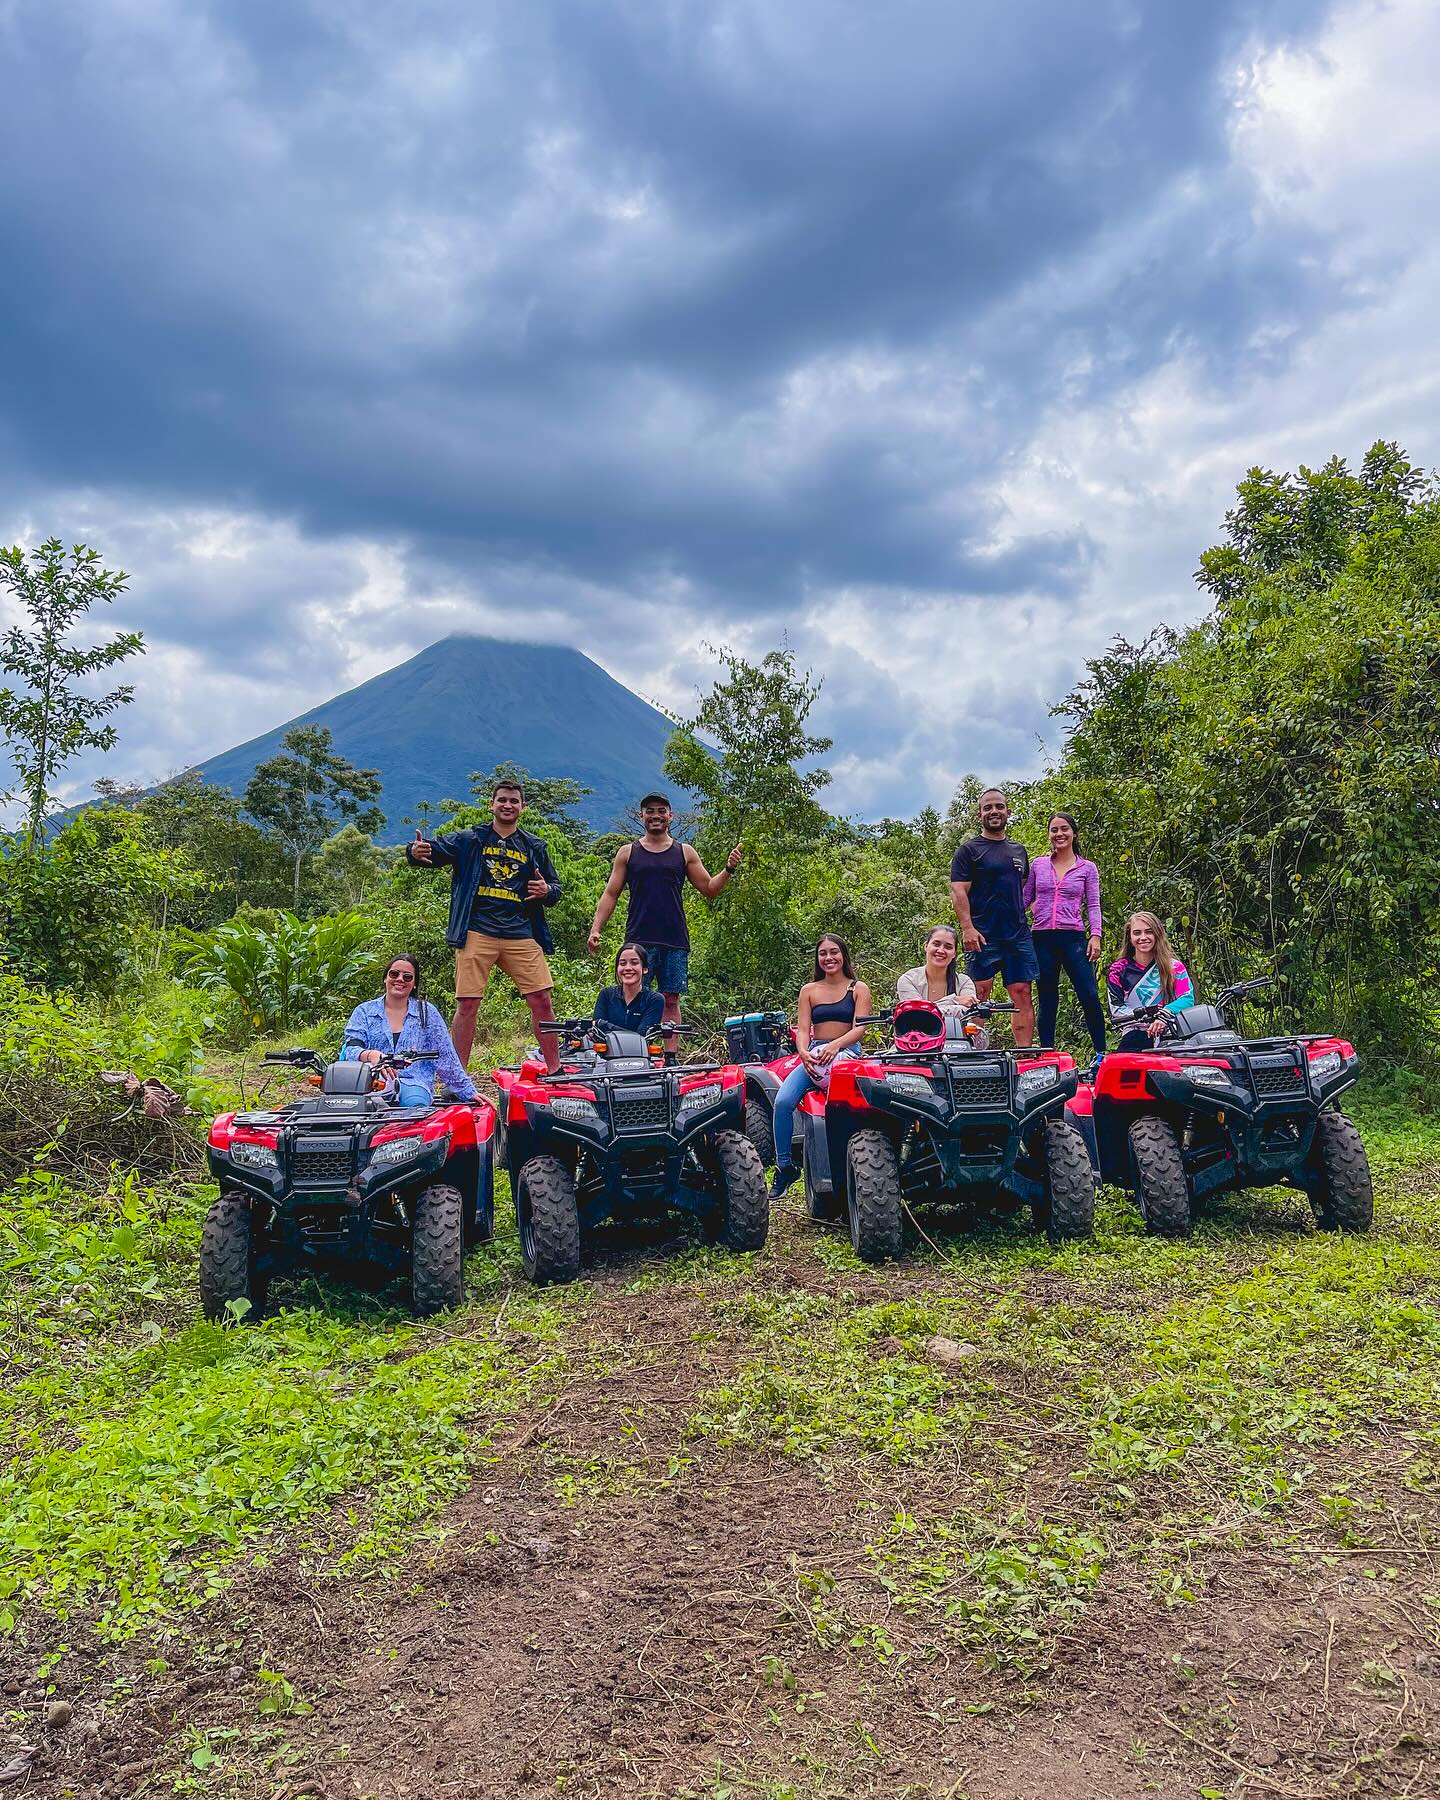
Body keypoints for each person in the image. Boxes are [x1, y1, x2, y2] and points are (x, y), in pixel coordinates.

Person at [407, 777, 563, 1074]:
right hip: (477, 931)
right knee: (468, 1004)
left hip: (520, 932)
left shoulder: (534, 846)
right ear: (492, 804)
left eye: (514, 800)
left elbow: (554, 887)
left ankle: (555, 1070)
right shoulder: (471, 839)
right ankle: (458, 1078)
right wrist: (414, 852)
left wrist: (548, 892)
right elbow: (432, 851)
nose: (508, 805)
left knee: (542, 999)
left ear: (523, 807)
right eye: (502, 799)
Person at [587, 793, 742, 1042]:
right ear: (642, 816)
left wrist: (729, 869)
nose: (655, 815)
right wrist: (596, 929)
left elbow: (710, 889)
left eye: (661, 810)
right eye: (650, 811)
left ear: (671, 815)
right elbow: (611, 893)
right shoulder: (628, 853)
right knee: (635, 996)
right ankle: (636, 1051)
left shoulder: (684, 852)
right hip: (639, 940)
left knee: (671, 999)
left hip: (674, 939)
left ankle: (670, 1058)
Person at [769, 934, 872, 1198]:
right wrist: (803, 1053)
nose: (829, 958)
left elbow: (860, 1029)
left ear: (844, 955)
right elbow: (804, 1029)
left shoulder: (858, 988)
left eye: (834, 952)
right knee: (782, 1102)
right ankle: (784, 1167)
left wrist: (835, 1046)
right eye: (823, 953)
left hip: (847, 1054)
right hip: (814, 1055)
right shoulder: (809, 990)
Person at [950, 787, 1037, 1045]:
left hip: (1017, 935)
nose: (994, 811)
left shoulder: (1018, 850)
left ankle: (1024, 1054)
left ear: (1008, 812)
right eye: (988, 808)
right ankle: (972, 1054)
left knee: (1021, 993)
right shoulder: (968, 851)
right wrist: (967, 928)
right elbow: (958, 891)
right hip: (982, 935)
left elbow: (1020, 887)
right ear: (979, 815)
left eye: (999, 806)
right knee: (979, 994)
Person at [339, 953, 478, 1106]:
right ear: (385, 978)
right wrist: (371, 1055)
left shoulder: (427, 1013)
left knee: (416, 1110)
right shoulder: (363, 1012)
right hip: (371, 1083)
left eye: (407, 977)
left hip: (414, 1083)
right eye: (394, 974)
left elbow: (446, 1058)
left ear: (415, 984)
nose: (399, 979)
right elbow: (351, 1050)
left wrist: (469, 1092)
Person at [1025, 811, 1107, 1056]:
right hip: (1042, 938)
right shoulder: (1039, 864)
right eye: (1054, 830)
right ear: (1049, 835)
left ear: (1073, 833)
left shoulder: (1087, 868)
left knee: (1089, 994)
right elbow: (1025, 897)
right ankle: (1048, 1055)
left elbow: (1093, 904)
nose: (1059, 834)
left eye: (1064, 829)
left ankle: (1101, 1054)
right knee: (1047, 999)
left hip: (1073, 938)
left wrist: (1096, 935)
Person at [1107, 911, 1195, 1051]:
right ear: (1130, 937)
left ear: (1157, 934)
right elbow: (1116, 1009)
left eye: (1149, 932)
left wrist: (1163, 1016)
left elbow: (1187, 998)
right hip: (1135, 1034)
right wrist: (1146, 1018)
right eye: (1137, 933)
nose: (1143, 937)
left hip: (1171, 1032)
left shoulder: (1175, 967)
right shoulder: (1118, 970)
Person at [895, 924, 978, 1017]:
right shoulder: (908, 980)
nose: (941, 950)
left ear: (954, 953)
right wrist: (955, 1000)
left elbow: (966, 1013)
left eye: (948, 947)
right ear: (926, 946)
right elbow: (918, 1014)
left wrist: (930, 1008)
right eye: (936, 944)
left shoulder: (964, 982)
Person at [594, 943, 666, 1036]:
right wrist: (599, 1025)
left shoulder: (654, 1000)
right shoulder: (606, 995)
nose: (628, 968)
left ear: (645, 969)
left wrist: (603, 1024)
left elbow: (641, 1037)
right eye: (622, 963)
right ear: (617, 968)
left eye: (634, 963)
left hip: (638, 1050)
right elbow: (596, 1033)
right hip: (606, 1050)